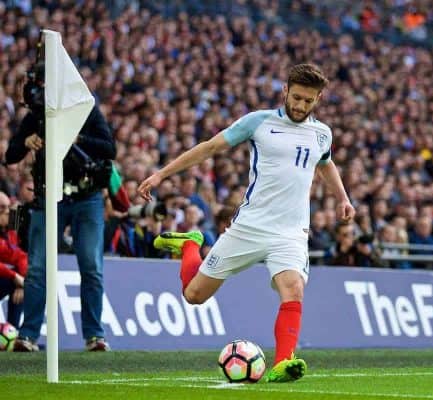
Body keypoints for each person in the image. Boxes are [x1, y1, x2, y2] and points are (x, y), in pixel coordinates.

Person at [138, 64, 355, 382]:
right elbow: (209, 148)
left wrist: (343, 197)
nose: (300, 106)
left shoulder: (322, 133)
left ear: (318, 99)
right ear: (285, 90)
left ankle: (284, 363)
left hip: (291, 232)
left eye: (308, 101)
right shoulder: (259, 122)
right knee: (194, 295)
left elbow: (325, 163)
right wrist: (161, 174)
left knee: (293, 289)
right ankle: (189, 244)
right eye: (296, 97)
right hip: (249, 227)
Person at [6, 71, 116, 351]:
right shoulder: (37, 117)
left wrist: (76, 138)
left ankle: (94, 335)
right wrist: (26, 141)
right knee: (37, 269)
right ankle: (28, 335)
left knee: (91, 267)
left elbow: (109, 149)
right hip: (48, 197)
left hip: (86, 196)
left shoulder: (86, 110)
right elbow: (10, 156)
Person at [0, 191, 28, 327]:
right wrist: (14, 276)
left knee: (27, 285)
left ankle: (13, 332)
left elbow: (21, 256)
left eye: (7, 207)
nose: (7, 212)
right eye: (2, 207)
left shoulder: (10, 230)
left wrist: (20, 280)